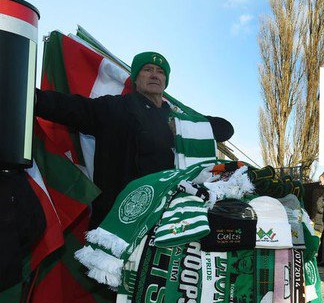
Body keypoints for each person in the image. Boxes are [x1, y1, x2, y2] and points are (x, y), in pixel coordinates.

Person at [35, 51, 234, 228]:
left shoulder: (178, 119)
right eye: (147, 69)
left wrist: (186, 125)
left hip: (167, 221)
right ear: (135, 79)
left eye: (160, 71)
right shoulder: (114, 108)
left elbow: (225, 130)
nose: (155, 75)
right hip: (118, 220)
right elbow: (71, 107)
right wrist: (31, 96)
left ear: (165, 81)